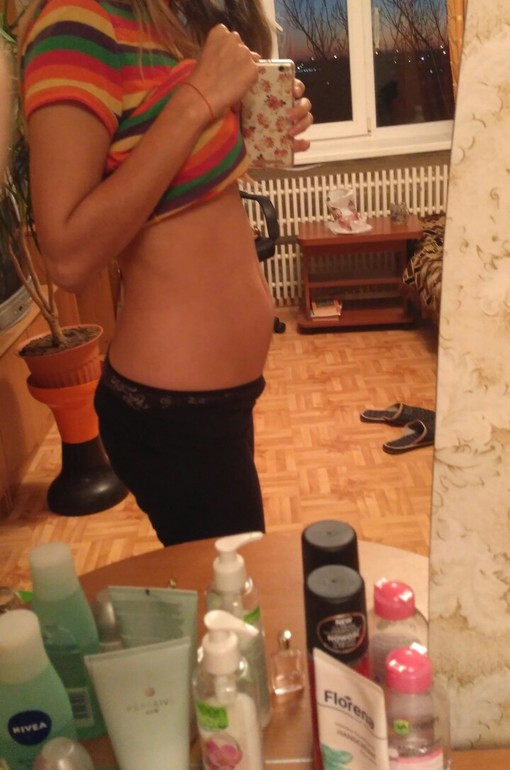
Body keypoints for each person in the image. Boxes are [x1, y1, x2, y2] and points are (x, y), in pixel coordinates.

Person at [19, 0, 313, 545]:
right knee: (234, 586)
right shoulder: (76, 23)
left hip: (217, 402)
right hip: (173, 415)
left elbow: (167, 183)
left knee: (225, 584)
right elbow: (68, 257)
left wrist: (252, 123)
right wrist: (198, 101)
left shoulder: (167, 26)